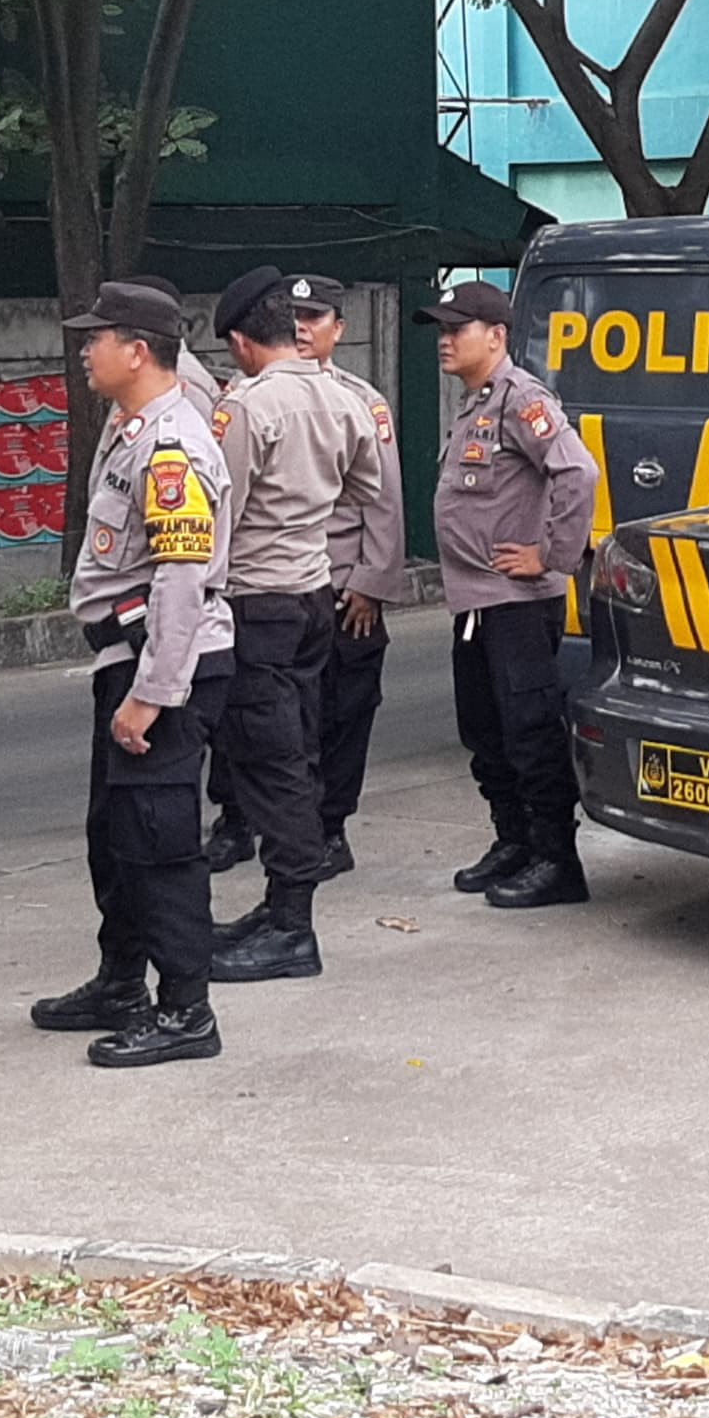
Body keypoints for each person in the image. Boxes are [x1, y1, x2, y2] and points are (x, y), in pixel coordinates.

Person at [35, 277, 236, 1067]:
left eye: (97, 338)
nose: (85, 350)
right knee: (114, 836)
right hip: (130, 657)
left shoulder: (173, 447)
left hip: (165, 666)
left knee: (160, 843)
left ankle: (186, 1009)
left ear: (138, 350)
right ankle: (122, 979)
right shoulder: (129, 427)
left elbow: (184, 579)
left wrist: (152, 697)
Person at [204, 266, 388, 983]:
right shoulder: (345, 399)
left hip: (258, 599)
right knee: (298, 751)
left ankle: (291, 924)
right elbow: (368, 488)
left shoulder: (249, 407)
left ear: (245, 341)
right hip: (314, 588)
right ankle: (280, 908)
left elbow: (222, 507)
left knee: (271, 760)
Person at [423, 278, 601, 908]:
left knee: (530, 730)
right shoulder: (475, 402)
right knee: (485, 729)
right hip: (476, 601)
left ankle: (556, 859)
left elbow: (577, 471)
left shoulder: (521, 399)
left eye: (456, 330)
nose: (444, 342)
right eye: (441, 331)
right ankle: (514, 841)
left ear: (495, 337)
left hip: (517, 602)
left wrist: (551, 555)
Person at [287, 275, 409, 875]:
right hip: (277, 588)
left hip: (340, 588)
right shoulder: (255, 394)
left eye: (315, 318)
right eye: (294, 317)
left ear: (340, 329)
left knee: (342, 714)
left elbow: (383, 501)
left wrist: (371, 583)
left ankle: (330, 829)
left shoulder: (363, 402)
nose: (303, 329)